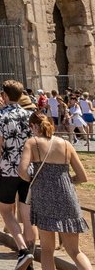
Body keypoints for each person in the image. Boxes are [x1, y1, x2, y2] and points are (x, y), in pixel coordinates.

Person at [19, 111, 92, 270]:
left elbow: (22, 170)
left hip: (43, 198)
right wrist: (65, 182)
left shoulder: (32, 142)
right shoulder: (66, 144)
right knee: (75, 251)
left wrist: (36, 182)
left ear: (33, 126)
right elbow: (82, 176)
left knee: (47, 250)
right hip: (67, 196)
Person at [0, 79, 37, 270]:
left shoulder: (0, 115)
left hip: (6, 170)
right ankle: (30, 258)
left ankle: (23, 250)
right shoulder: (30, 115)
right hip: (28, 170)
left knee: (7, 212)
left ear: (5, 96)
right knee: (27, 216)